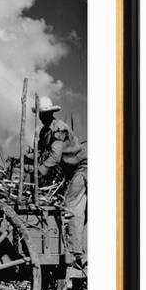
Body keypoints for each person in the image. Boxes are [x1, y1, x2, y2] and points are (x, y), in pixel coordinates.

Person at [30, 96, 87, 276]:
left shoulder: (59, 129)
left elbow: (54, 157)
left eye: (46, 114)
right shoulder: (45, 132)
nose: (43, 117)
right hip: (73, 172)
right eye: (41, 114)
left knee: (72, 206)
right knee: (78, 210)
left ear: (52, 113)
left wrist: (39, 171)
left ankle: (75, 254)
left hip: (83, 168)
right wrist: (23, 161)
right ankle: (82, 253)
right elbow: (39, 153)